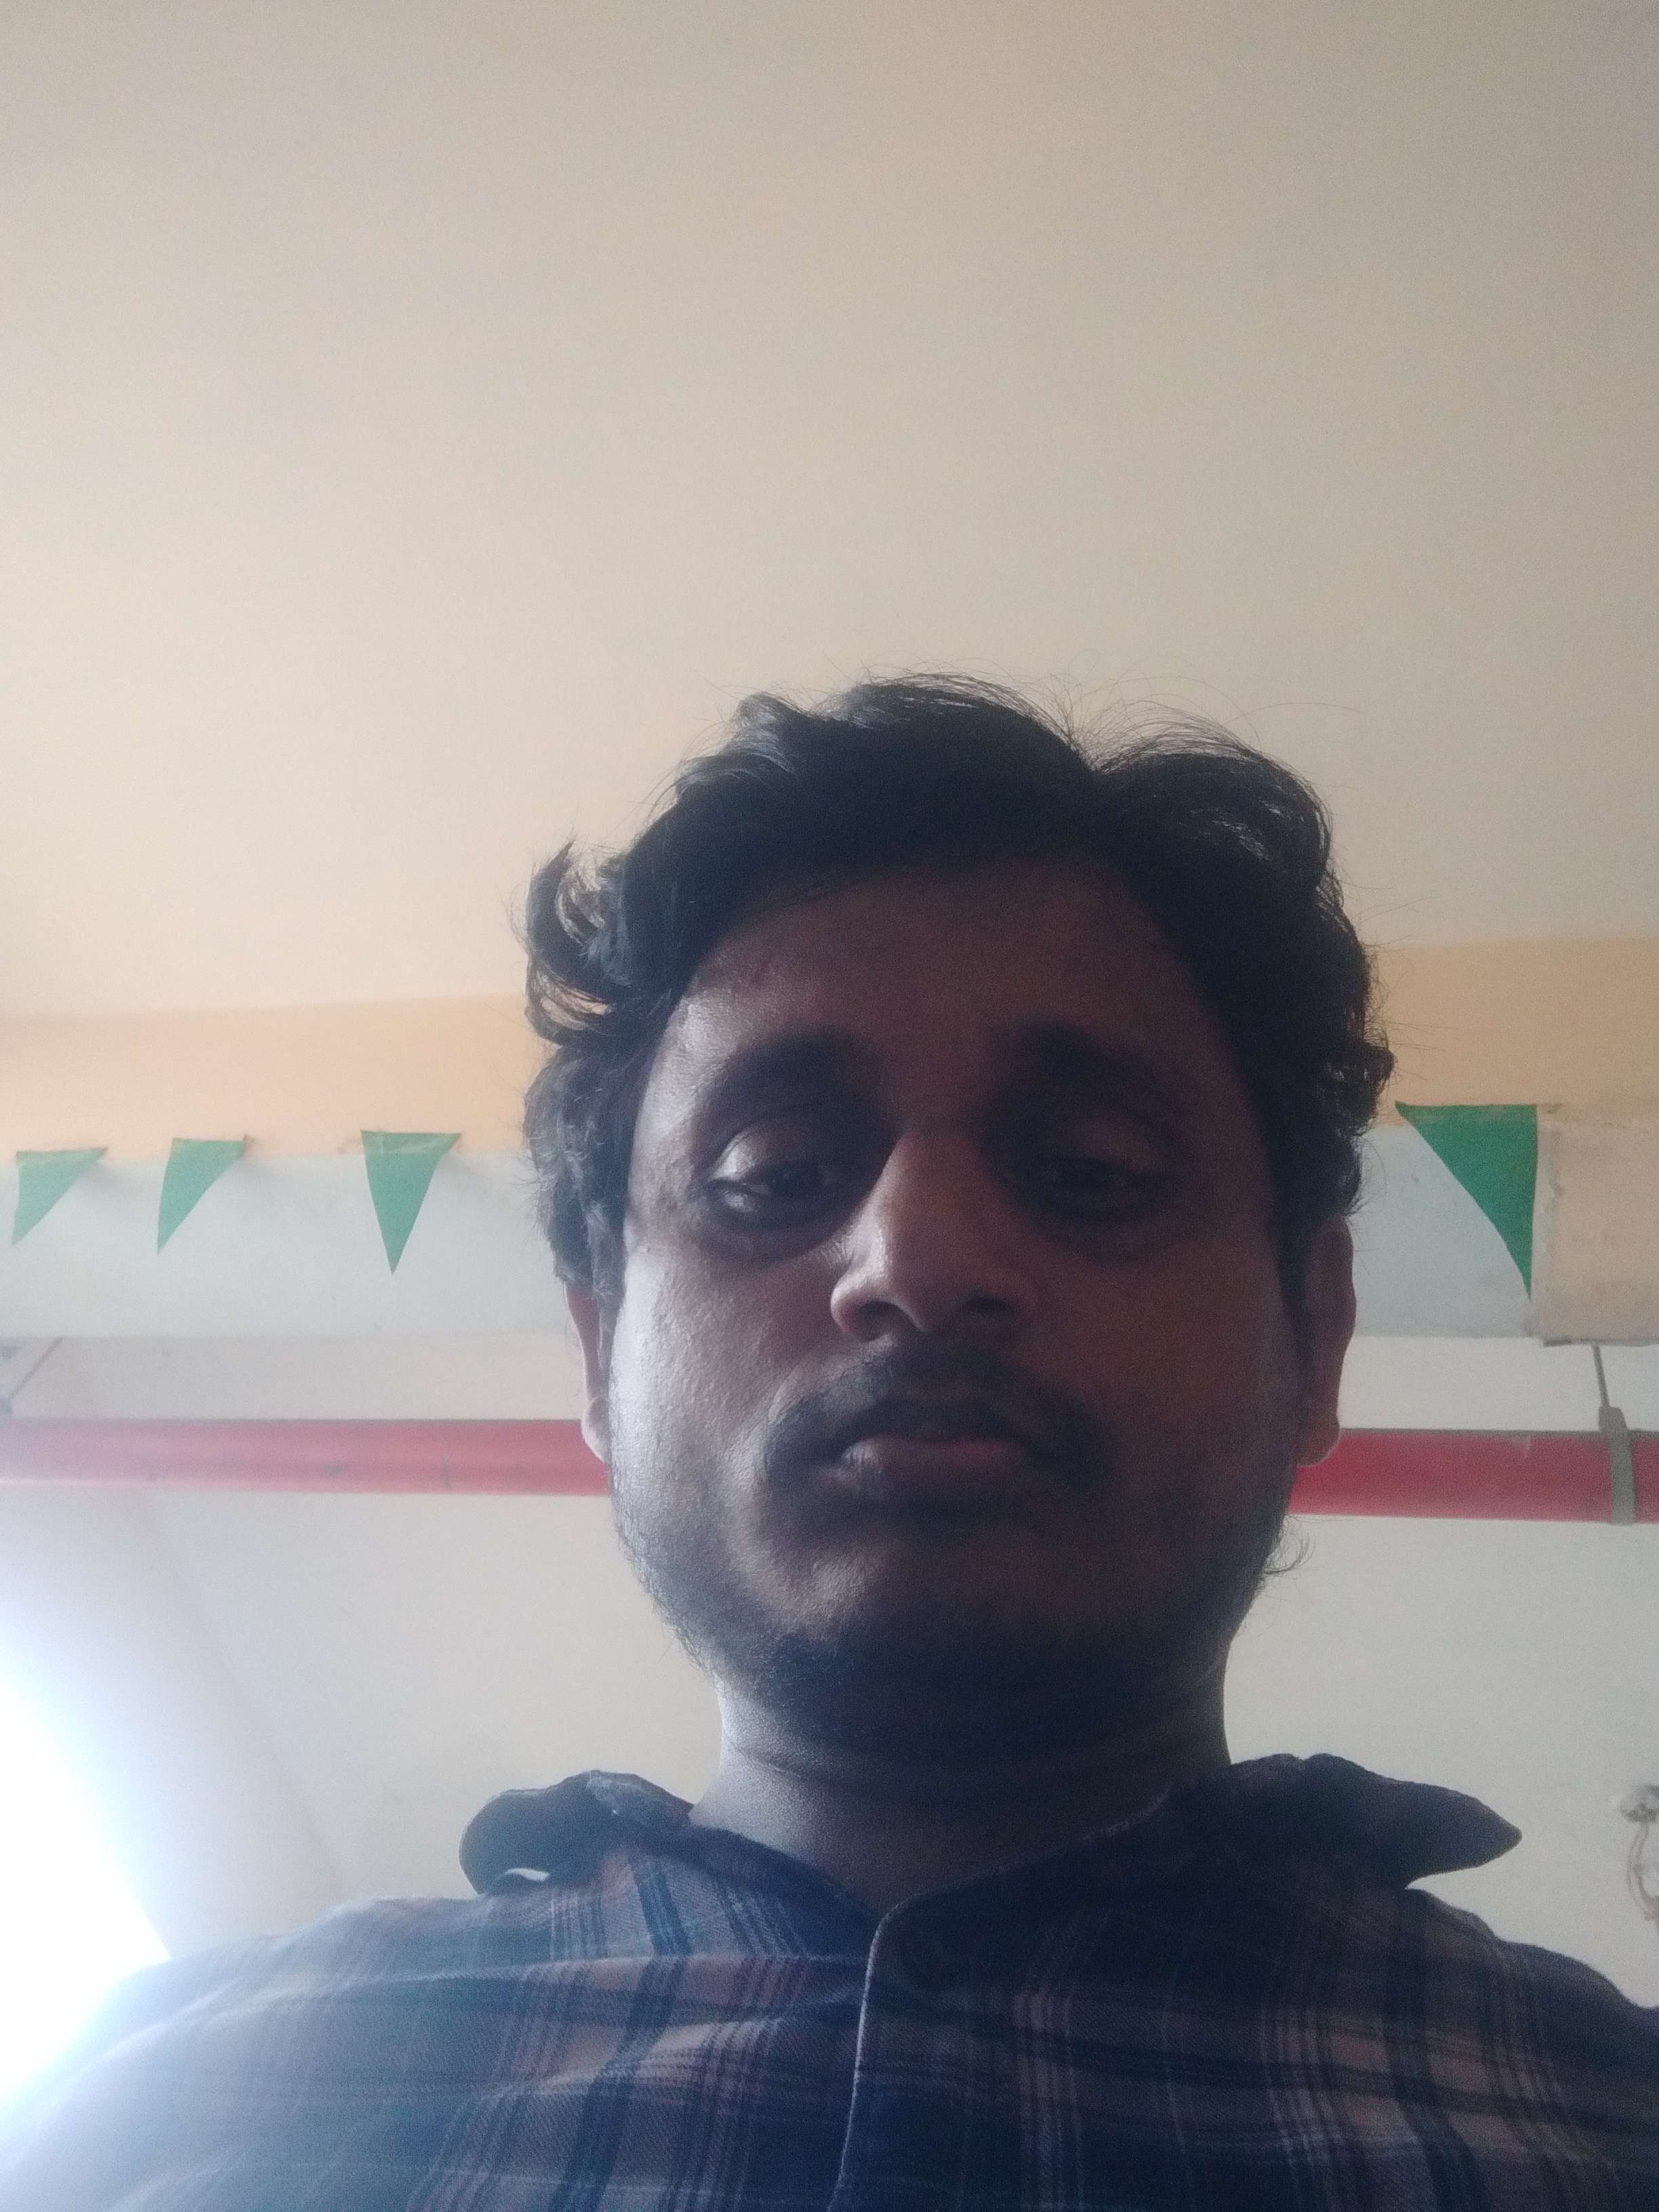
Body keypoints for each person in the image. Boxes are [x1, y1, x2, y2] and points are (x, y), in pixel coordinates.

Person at [3, 677, 1654, 2208]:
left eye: (1091, 1170)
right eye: (774, 1176)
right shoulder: (151, 2103)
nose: (918, 1261)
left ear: (1317, 1333)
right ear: (600, 1348)